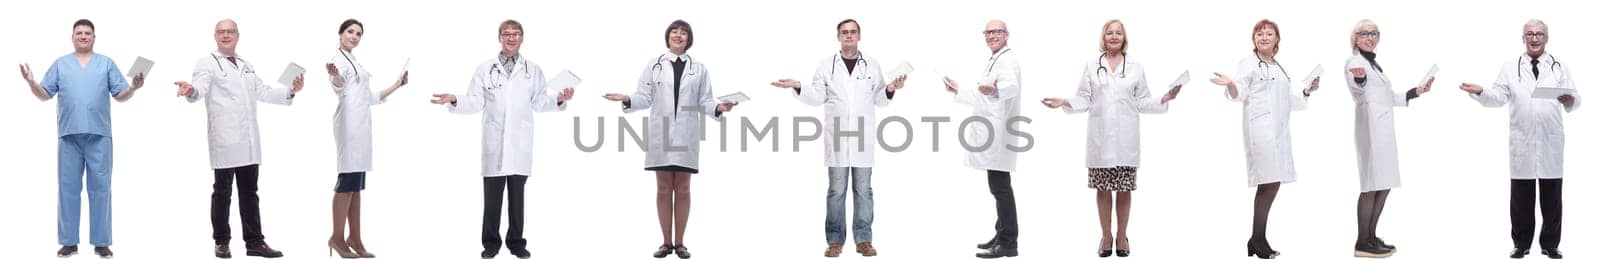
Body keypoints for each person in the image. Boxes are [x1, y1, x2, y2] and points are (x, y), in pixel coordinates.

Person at [428, 19, 574, 259]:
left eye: (516, 34)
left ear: (522, 38)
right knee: (492, 199)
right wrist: (455, 99)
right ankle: (491, 243)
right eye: (507, 34)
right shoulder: (485, 68)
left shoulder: (532, 69)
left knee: (518, 198)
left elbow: (539, 102)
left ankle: (516, 242)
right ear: (500, 37)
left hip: (520, 143)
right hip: (494, 142)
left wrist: (560, 98)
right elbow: (475, 101)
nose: (511, 38)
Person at [768, 18, 907, 258]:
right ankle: (834, 241)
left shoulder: (872, 65)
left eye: (853, 32)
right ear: (838, 37)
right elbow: (816, 97)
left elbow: (880, 100)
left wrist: (891, 89)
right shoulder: (826, 66)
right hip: (838, 138)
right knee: (836, 191)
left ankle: (863, 240)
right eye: (845, 32)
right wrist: (799, 85)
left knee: (864, 191)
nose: (849, 36)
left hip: (863, 137)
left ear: (859, 36)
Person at [1040, 19, 1177, 258]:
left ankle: (1122, 236)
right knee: (1103, 189)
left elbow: (1142, 100)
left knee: (1124, 189)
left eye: (1118, 33)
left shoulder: (1135, 67)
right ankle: (1106, 236)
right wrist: (1065, 102)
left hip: (1126, 140)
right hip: (1100, 139)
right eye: (1109, 33)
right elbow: (1084, 98)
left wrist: (1163, 99)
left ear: (1125, 38)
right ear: (1103, 38)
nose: (1114, 37)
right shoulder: (1092, 65)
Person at [601, 19, 736, 259]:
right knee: (663, 188)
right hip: (661, 133)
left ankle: (681, 243)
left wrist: (719, 107)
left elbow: (705, 100)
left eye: (683, 33)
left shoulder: (699, 68)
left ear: (689, 39)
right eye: (674, 31)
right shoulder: (654, 65)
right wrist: (627, 98)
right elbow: (645, 96)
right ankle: (665, 243)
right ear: (668, 36)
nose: (678, 35)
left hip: (686, 133)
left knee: (683, 188)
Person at [173, 19, 302, 259]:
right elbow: (199, 89)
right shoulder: (207, 63)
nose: (226, 35)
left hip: (248, 139)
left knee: (250, 192)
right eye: (221, 31)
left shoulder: (246, 64)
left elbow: (262, 92)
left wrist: (291, 90)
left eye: (230, 31)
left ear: (237, 35)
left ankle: (254, 242)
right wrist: (190, 90)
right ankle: (221, 242)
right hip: (225, 138)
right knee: (222, 192)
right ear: (215, 36)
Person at [20, 18, 148, 259]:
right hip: (69, 136)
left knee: (100, 189)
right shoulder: (61, 64)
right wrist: (31, 82)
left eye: (87, 33)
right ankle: (69, 242)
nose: (83, 36)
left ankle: (101, 243)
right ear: (72, 37)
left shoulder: (106, 63)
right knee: (68, 189)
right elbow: (45, 94)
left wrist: (134, 87)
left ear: (94, 37)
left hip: (99, 136)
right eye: (78, 33)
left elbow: (120, 95)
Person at [1457, 19, 1577, 259]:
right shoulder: (1510, 67)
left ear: (1546, 38)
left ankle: (1550, 245)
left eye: (1539, 34)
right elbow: (1498, 97)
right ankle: (1521, 244)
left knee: (1552, 198)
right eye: (1530, 34)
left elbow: (1574, 97)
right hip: (1522, 142)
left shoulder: (1559, 66)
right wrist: (1481, 92)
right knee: (1521, 199)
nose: (1534, 38)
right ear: (1523, 38)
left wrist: (1569, 100)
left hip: (1550, 141)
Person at [1206, 19, 1320, 259]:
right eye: (1259, 34)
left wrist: (1308, 90)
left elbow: (1289, 101)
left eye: (1269, 34)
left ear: (1277, 39)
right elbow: (1239, 94)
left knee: (1271, 183)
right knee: (1268, 183)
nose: (1264, 37)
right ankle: (1257, 239)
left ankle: (1257, 239)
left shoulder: (1278, 67)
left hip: (1278, 133)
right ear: (1254, 39)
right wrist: (1230, 85)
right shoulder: (1248, 64)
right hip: (1261, 133)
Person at [1341, 19, 1434, 258]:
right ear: (1355, 38)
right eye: (1364, 33)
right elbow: (1358, 88)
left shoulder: (1374, 65)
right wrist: (1360, 79)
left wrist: (1417, 91)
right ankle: (1362, 241)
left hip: (1383, 130)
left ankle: (1371, 236)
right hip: (1371, 129)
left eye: (1374, 33)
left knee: (1384, 183)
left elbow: (1388, 96)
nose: (1370, 37)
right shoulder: (1355, 62)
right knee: (1372, 184)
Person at [323, 18, 408, 259]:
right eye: (350, 31)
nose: (354, 36)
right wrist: (336, 76)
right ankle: (337, 238)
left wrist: (397, 85)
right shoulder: (336, 60)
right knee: (346, 182)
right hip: (349, 127)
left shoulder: (356, 62)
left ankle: (355, 238)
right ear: (340, 34)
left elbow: (368, 96)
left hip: (361, 128)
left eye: (358, 33)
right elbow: (338, 83)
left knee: (357, 187)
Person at [942, 20, 1022, 259]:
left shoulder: (1007, 59)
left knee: (1001, 188)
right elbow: (983, 96)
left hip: (997, 135)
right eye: (988, 32)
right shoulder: (996, 58)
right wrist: (959, 90)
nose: (992, 35)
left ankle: (1008, 242)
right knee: (998, 187)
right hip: (993, 132)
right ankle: (1001, 234)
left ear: (1007, 34)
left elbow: (1011, 87)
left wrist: (995, 90)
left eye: (997, 31)